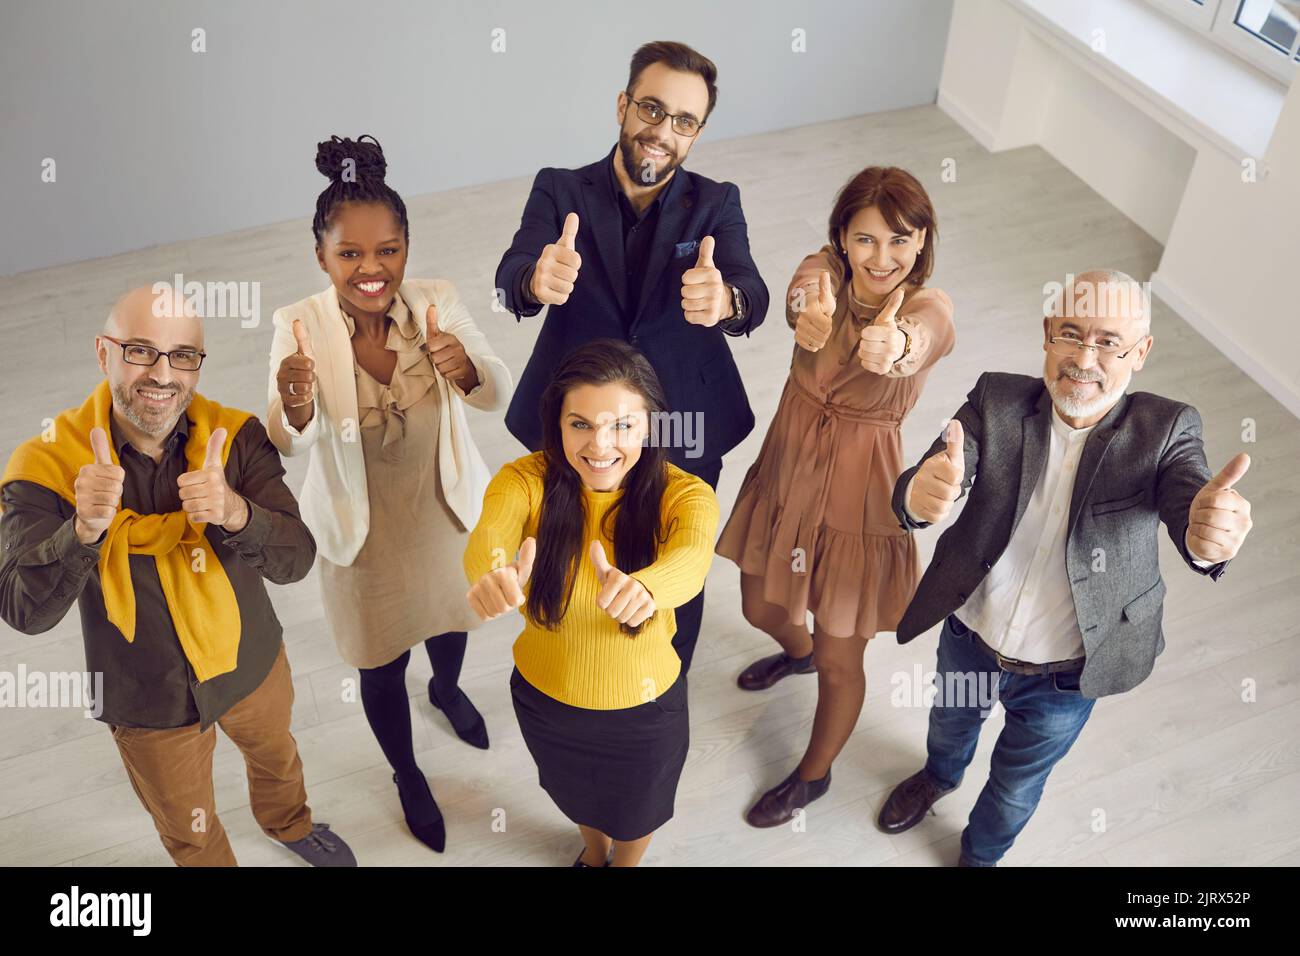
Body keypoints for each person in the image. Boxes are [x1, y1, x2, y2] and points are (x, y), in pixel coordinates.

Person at [876, 270, 1253, 866]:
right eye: (1070, 334)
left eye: (1108, 341)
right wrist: (921, 498)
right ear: (1047, 335)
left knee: (1016, 784)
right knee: (949, 726)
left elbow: (1191, 497)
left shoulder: (1165, 430)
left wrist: (1209, 535)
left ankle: (979, 857)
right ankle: (939, 778)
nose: (1083, 358)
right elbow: (941, 469)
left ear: (1141, 352)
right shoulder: (996, 398)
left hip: (1066, 675)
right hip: (971, 635)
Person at [0, 285, 355, 866]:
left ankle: (289, 825)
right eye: (140, 350)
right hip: (146, 697)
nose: (162, 375)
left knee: (277, 759)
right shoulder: (45, 468)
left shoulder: (234, 438)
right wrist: (83, 530)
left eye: (182, 355)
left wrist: (236, 512)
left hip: (250, 663)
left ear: (196, 364)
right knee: (187, 828)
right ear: (102, 352)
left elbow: (296, 561)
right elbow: (23, 611)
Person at [266, 135, 512, 853]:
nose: (371, 269)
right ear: (321, 256)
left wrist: (466, 365)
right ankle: (407, 772)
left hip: (444, 512)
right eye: (350, 254)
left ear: (407, 248)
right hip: (360, 533)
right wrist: (296, 403)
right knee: (381, 661)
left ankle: (448, 691)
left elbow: (497, 392)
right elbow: (288, 441)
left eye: (389, 250)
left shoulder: (438, 301)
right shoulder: (297, 325)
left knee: (451, 623)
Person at [493, 40, 767, 673]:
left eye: (684, 121)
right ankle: (573, 665)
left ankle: (666, 671)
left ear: (696, 133)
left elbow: (753, 290)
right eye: (650, 108)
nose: (661, 131)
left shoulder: (717, 202)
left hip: (681, 423)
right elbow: (510, 272)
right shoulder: (559, 189)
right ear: (623, 105)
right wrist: (536, 279)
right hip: (576, 418)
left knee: (677, 557)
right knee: (568, 546)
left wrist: (725, 300)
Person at [715, 166, 955, 827]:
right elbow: (804, 292)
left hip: (859, 494)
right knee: (760, 602)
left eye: (900, 241)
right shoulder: (821, 271)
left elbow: (923, 339)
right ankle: (796, 654)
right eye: (866, 240)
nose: (882, 257)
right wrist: (807, 312)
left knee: (840, 655)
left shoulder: (929, 308)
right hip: (789, 469)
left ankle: (812, 777)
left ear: (922, 241)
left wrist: (898, 344)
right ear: (842, 239)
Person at [463, 339, 719, 867]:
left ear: (651, 425)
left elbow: (692, 558)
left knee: (637, 814)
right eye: (580, 423)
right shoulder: (523, 479)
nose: (600, 445)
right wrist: (491, 573)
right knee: (575, 794)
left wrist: (647, 587)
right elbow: (491, 532)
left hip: (643, 713)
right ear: (556, 423)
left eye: (623, 425)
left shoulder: (685, 494)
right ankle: (591, 851)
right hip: (547, 700)